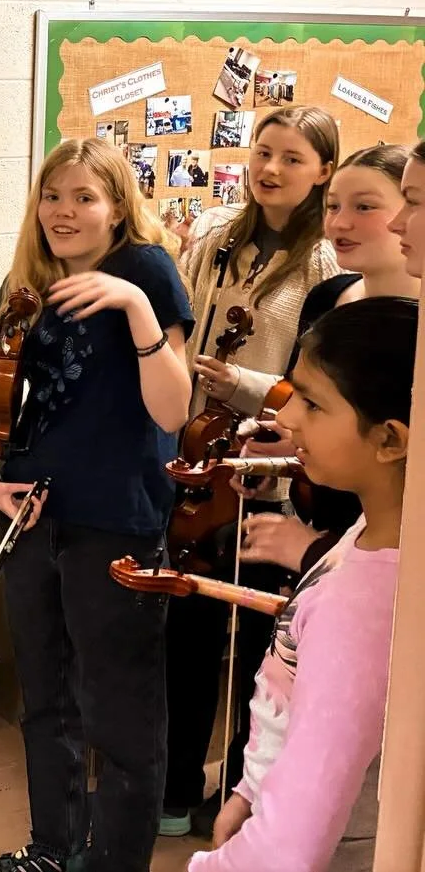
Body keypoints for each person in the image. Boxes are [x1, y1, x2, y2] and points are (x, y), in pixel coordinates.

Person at [0, 137, 194, 872]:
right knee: (46, 694)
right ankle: (53, 849)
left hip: (117, 516)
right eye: (53, 195)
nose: (64, 211)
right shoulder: (24, 282)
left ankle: (114, 863)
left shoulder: (146, 271)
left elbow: (171, 411)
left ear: (118, 206)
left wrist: (133, 306)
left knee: (120, 712)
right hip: (34, 514)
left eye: (84, 197)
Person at [189, 295, 416, 871]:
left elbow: (290, 848)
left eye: (312, 404)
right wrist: (249, 790)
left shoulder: (365, 606)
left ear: (391, 440)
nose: (287, 420)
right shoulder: (380, 525)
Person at [163, 106, 341, 837]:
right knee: (190, 628)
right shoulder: (214, 241)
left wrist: (235, 380)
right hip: (198, 465)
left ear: (322, 171)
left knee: (260, 646)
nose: (269, 169)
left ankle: (241, 792)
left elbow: (314, 385)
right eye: (262, 152)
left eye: (291, 158)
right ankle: (174, 787)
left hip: (268, 472)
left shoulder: (327, 264)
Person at [233, 144, 418, 578]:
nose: (340, 222)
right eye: (332, 206)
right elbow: (308, 407)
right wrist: (282, 452)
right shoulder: (327, 297)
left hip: (374, 552)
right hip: (322, 528)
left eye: (365, 206)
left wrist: (318, 549)